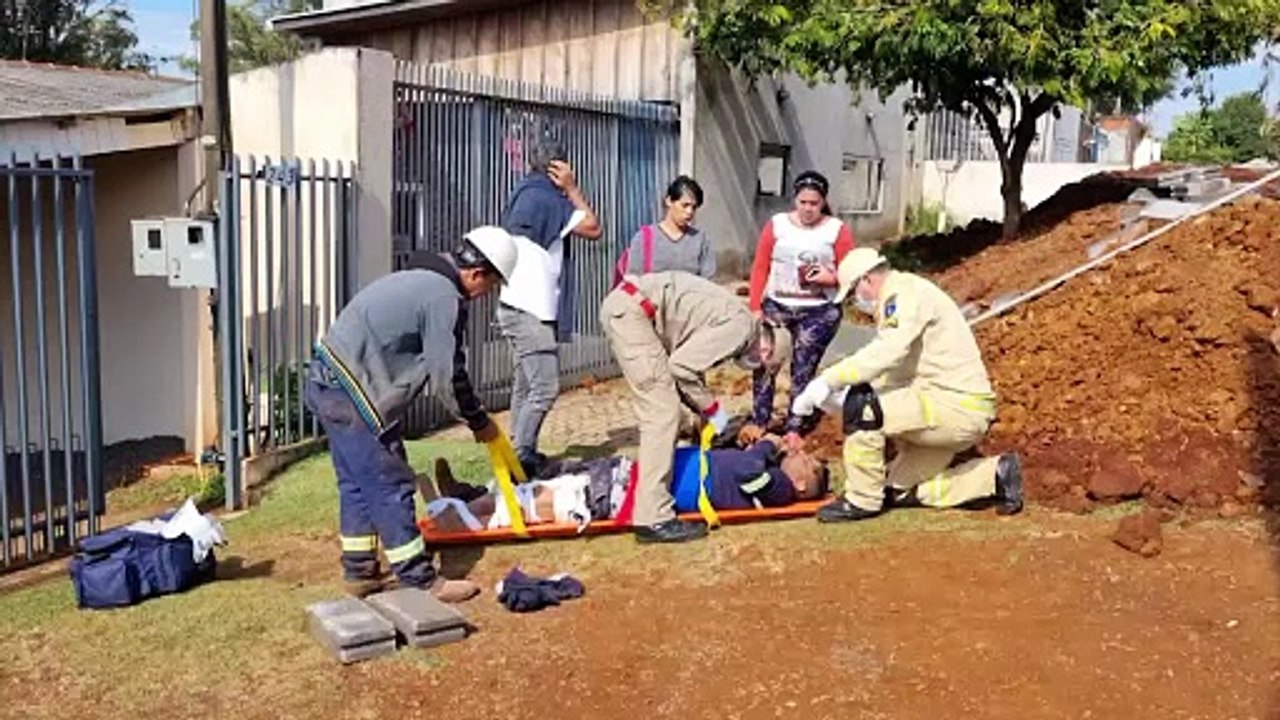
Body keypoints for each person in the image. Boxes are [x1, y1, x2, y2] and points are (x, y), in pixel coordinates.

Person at [305, 226, 519, 602]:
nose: (487, 295)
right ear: (476, 273)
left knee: (357, 482)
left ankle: (360, 571)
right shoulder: (443, 297)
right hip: (355, 391)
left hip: (326, 381)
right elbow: (447, 373)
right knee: (391, 483)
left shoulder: (418, 278)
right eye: (492, 285)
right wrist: (477, 420)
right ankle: (418, 579)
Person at [790, 248, 1023, 522]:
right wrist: (843, 395)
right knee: (894, 491)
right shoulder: (904, 295)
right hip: (946, 409)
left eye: (853, 294)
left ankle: (861, 501)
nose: (856, 302)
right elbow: (896, 370)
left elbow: (888, 352)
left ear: (867, 280)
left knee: (865, 409)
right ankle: (994, 476)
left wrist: (829, 380)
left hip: (953, 407)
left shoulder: (902, 295)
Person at [600, 270, 792, 543]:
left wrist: (710, 420)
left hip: (632, 309)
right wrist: (715, 412)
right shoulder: (740, 329)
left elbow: (690, 374)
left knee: (668, 409)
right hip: (633, 314)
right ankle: (653, 518)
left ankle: (656, 501)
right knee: (663, 413)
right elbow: (681, 368)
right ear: (766, 350)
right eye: (763, 364)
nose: (755, 367)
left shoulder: (735, 321)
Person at [422, 436, 828, 533]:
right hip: (632, 473)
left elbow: (749, 474)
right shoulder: (770, 471)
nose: (802, 453)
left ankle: (462, 518)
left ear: (801, 484)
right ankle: (471, 496)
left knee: (555, 496)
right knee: (556, 474)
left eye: (807, 463)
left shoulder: (779, 486)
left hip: (628, 492)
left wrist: (768, 445)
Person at [497, 137, 603, 477]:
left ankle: (519, 452)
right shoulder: (546, 198)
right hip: (530, 309)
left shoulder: (522, 193)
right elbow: (593, 227)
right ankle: (521, 458)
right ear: (558, 168)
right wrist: (572, 188)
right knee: (545, 387)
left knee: (525, 385)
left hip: (514, 304)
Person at [743, 170, 856, 451]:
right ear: (795, 200)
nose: (807, 209)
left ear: (823, 202)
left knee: (802, 369)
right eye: (803, 202)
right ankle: (759, 420)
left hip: (818, 311)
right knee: (765, 362)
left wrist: (831, 278)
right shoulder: (777, 225)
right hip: (778, 305)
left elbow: (852, 271)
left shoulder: (836, 230)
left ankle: (795, 426)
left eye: (814, 204)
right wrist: (755, 307)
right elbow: (760, 266)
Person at [618, 175, 715, 279]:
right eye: (685, 205)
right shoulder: (644, 238)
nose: (689, 212)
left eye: (694, 207)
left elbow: (708, 281)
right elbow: (632, 280)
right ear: (669, 201)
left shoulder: (700, 240)